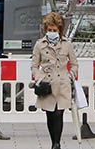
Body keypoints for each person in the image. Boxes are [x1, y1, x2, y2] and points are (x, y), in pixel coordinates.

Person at [31, 12, 78, 149]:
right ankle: (53, 141)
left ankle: (56, 144)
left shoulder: (67, 44)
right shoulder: (39, 45)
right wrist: (40, 78)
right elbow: (34, 66)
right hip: (47, 84)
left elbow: (74, 64)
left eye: (54, 30)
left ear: (59, 30)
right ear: (46, 30)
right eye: (49, 30)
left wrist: (71, 75)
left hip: (62, 84)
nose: (52, 32)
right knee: (50, 115)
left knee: (59, 113)